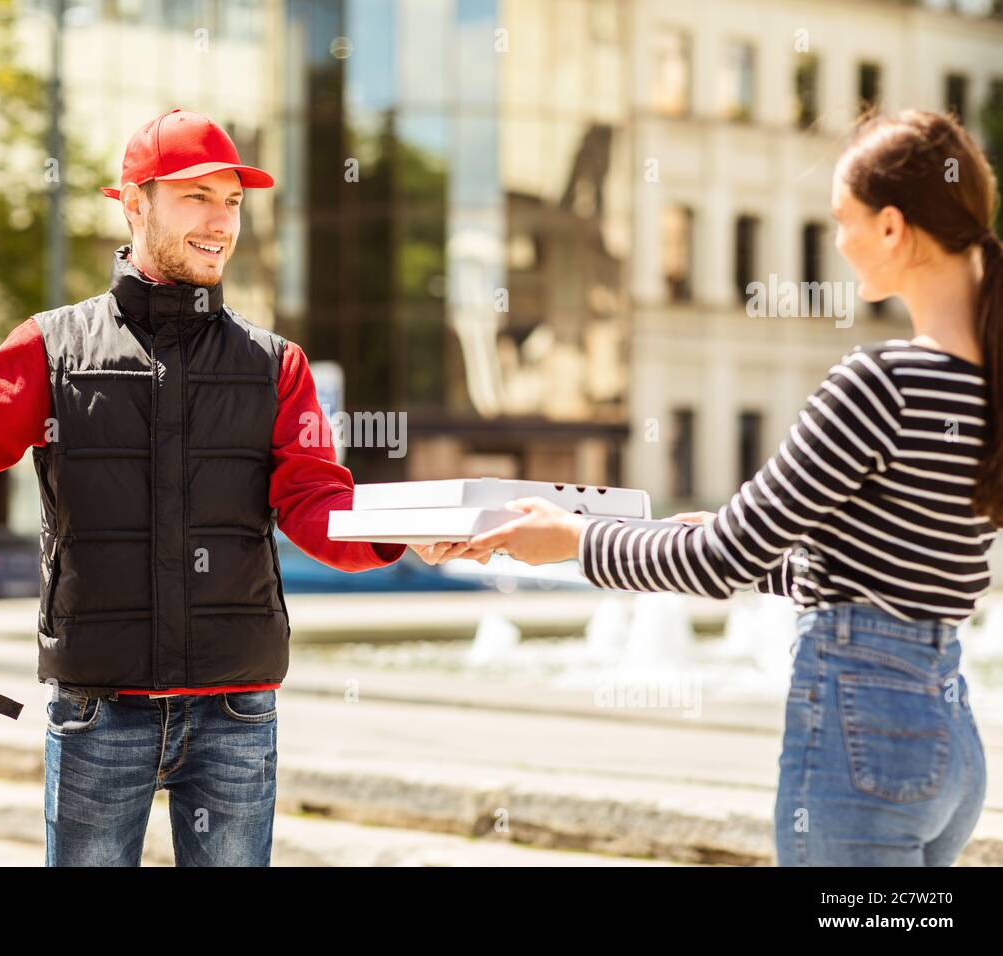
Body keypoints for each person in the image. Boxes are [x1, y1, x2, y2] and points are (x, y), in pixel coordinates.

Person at [0, 107, 435, 867]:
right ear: (135, 203)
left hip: (236, 707)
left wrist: (408, 527)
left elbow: (314, 503)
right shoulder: (53, 347)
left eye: (232, 202)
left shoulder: (276, 365)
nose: (221, 221)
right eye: (196, 197)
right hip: (99, 709)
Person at [421, 109, 1000, 866]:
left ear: (892, 228)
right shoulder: (982, 386)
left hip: (862, 737)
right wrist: (700, 539)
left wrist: (572, 542)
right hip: (948, 737)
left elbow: (715, 564)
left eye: (841, 219)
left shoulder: (880, 383)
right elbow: (886, 569)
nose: (837, 241)